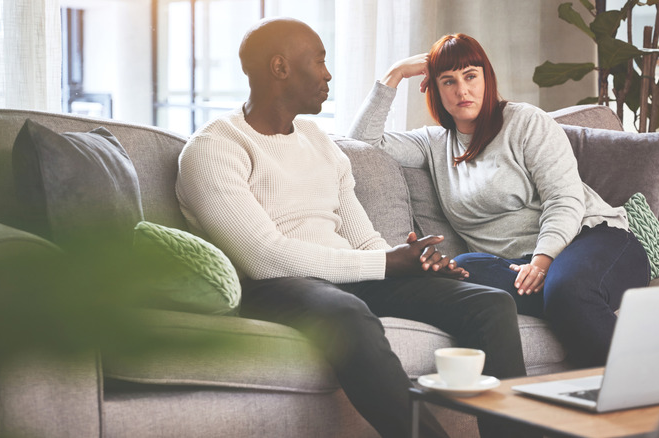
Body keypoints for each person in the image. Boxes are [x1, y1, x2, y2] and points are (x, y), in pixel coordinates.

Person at [176, 18, 527, 438]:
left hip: (346, 276)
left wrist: (412, 263)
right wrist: (386, 263)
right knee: (348, 313)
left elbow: (363, 239)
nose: (327, 75)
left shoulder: (319, 140)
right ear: (280, 67)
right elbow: (265, 256)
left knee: (489, 303)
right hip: (275, 285)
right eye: (319, 61)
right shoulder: (216, 147)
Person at [348, 33, 651, 368]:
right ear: (434, 89)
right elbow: (361, 143)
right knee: (463, 271)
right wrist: (395, 73)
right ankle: (561, 301)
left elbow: (564, 200)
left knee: (566, 291)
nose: (461, 90)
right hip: (515, 268)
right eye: (448, 81)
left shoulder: (525, 121)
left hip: (591, 240)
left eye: (470, 76)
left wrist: (542, 262)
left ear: (486, 78)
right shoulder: (433, 143)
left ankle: (639, 392)